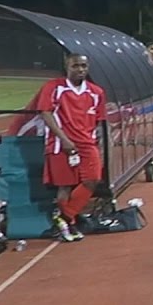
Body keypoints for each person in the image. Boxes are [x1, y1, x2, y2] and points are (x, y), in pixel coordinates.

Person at [36, 53, 107, 243]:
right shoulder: (54, 88)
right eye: (76, 66)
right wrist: (64, 139)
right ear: (67, 67)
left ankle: (64, 218)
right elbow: (46, 113)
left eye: (84, 66)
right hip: (61, 144)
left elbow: (99, 120)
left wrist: (95, 139)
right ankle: (70, 225)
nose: (80, 69)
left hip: (87, 143)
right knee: (65, 186)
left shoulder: (96, 92)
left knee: (93, 179)